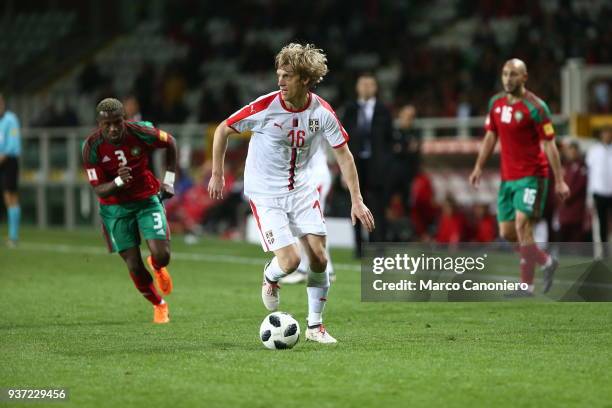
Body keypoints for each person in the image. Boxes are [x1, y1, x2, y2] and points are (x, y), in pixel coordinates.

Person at [208, 43, 375, 344]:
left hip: (301, 189)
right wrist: (218, 173)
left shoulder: (322, 112)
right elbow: (223, 129)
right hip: (265, 192)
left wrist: (357, 199)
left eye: (287, 76)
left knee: (320, 259)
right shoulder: (265, 106)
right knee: (291, 262)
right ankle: (271, 277)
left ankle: (315, 327)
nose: (280, 82)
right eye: (279, 75)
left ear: (305, 80)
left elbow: (344, 155)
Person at [469, 59, 570, 296]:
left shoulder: (536, 107)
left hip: (532, 176)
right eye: (504, 74)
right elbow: (490, 137)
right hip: (508, 178)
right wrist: (478, 166)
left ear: (524, 77)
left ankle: (526, 286)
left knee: (523, 225)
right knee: (507, 233)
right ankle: (546, 262)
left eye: (513, 74)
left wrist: (560, 179)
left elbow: (550, 144)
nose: (507, 79)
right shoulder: (496, 103)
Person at [82, 98, 177, 323]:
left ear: (124, 119)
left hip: (146, 198)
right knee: (133, 264)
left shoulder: (140, 131)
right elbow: (99, 190)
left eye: (118, 122)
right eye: (108, 125)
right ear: (99, 124)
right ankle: (159, 304)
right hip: (115, 208)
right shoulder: (90, 147)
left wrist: (169, 179)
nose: (114, 129)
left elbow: (170, 142)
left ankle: (156, 264)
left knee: (162, 256)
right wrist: (117, 182)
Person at [341, 72, 393, 254]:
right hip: (355, 164)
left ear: (376, 88)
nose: (366, 88)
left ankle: (377, 245)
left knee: (377, 205)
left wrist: (386, 166)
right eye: (363, 84)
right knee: (355, 203)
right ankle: (358, 248)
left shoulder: (383, 109)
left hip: (377, 166)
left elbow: (389, 141)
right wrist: (343, 171)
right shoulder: (350, 109)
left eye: (370, 84)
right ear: (357, 87)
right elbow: (341, 140)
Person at [279, 142, 336, 284]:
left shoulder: (313, 121)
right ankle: (320, 269)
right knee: (307, 224)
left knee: (311, 225)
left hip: (315, 176)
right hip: (309, 176)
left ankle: (315, 269)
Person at [586, 128, 612, 257]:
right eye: (605, 133)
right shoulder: (594, 150)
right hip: (599, 191)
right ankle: (603, 252)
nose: (607, 136)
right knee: (600, 223)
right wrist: (590, 194)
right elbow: (591, 173)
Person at [0, 93, 21, 247]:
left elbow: (11, 145)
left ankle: (13, 236)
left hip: (9, 162)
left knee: (10, 197)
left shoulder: (10, 119)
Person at [557, 141, 588, 242]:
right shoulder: (564, 166)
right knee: (563, 238)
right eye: (570, 152)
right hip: (563, 210)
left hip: (576, 210)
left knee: (576, 239)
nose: (572, 154)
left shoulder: (582, 167)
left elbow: (579, 186)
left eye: (574, 152)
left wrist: (566, 197)